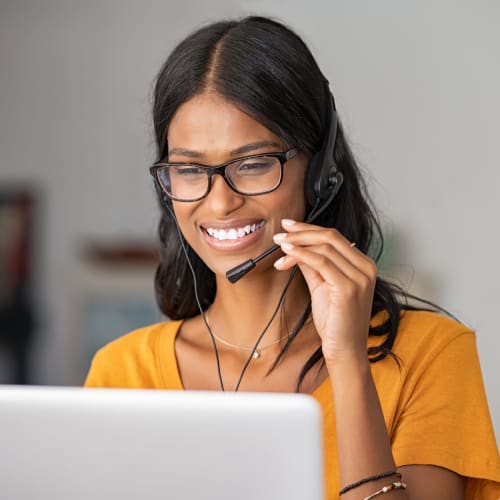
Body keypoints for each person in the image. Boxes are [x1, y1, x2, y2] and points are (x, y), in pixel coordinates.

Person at [84, 16, 500, 500]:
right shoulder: (121, 372)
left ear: (320, 173)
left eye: (255, 163)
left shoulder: (432, 354)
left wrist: (347, 364)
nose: (219, 204)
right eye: (189, 169)